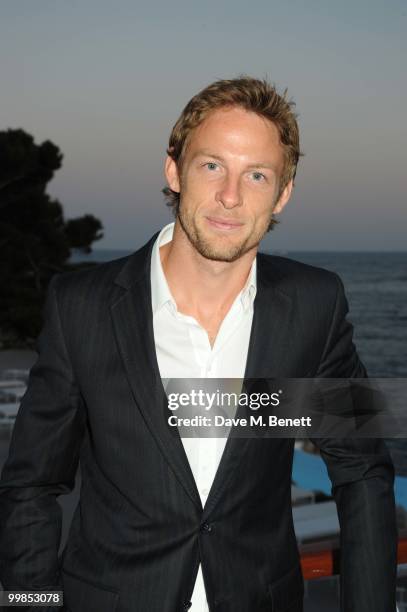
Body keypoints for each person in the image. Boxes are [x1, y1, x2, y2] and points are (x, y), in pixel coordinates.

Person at [0, 77, 397, 612]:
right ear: (174, 170)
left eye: (256, 175)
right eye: (212, 165)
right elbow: (31, 486)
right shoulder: (82, 306)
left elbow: (363, 469)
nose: (230, 196)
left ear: (283, 193)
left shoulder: (314, 306)